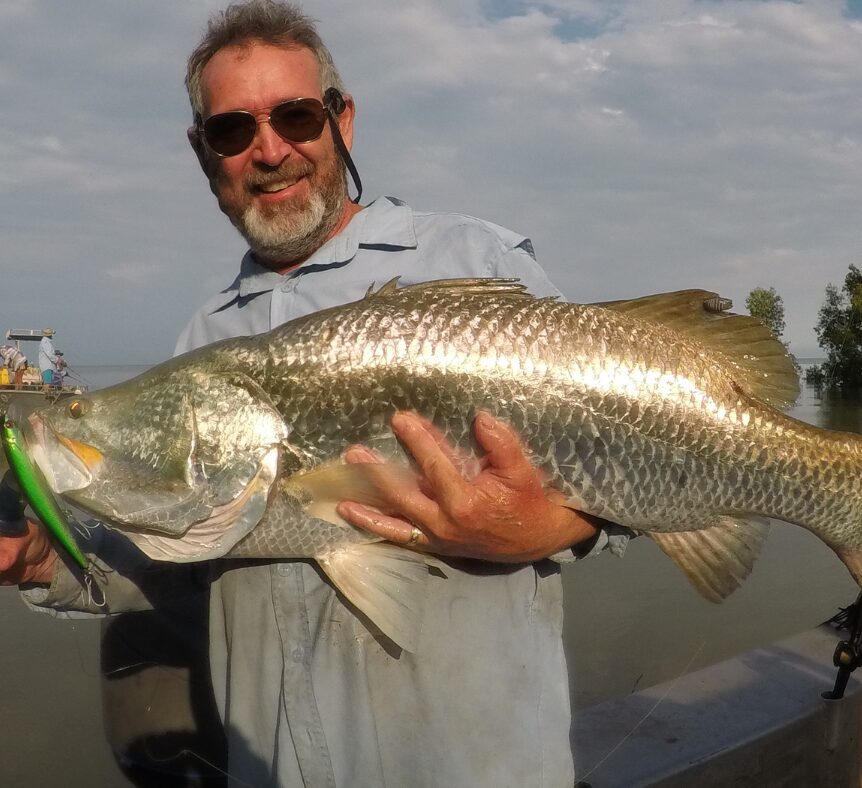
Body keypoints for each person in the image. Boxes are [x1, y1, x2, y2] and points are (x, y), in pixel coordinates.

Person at [0, 2, 630, 785]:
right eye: (233, 131)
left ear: (342, 122)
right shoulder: (203, 339)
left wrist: (551, 528)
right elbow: (183, 560)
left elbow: (640, 446)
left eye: (295, 116)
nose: (269, 150)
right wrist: (37, 559)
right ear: (204, 154)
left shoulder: (475, 261)